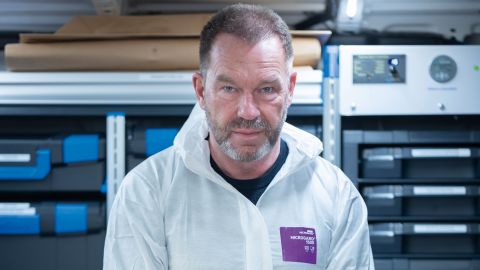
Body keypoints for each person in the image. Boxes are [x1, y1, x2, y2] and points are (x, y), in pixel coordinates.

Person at [103, 3, 374, 269]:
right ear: (200, 90)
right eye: (229, 88)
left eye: (266, 89)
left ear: (290, 89)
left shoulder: (336, 196)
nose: (247, 111)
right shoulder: (147, 192)